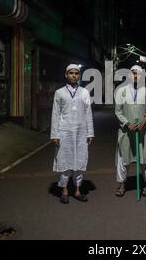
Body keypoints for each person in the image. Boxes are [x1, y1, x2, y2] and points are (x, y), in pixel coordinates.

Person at [50, 64, 94, 204]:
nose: (74, 75)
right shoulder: (59, 93)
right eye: (71, 73)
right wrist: (55, 135)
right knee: (64, 161)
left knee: (80, 161)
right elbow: (55, 115)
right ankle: (64, 190)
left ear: (79, 75)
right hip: (64, 132)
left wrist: (90, 133)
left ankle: (77, 190)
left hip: (81, 132)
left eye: (76, 73)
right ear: (66, 75)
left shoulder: (84, 92)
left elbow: (88, 114)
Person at [114, 65, 146, 197]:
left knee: (145, 157)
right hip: (126, 131)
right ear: (129, 75)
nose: (136, 75)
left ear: (142, 76)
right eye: (133, 73)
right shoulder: (121, 91)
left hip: (143, 131)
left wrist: (145, 120)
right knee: (123, 158)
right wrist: (127, 123)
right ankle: (121, 184)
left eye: (138, 73)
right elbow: (118, 111)